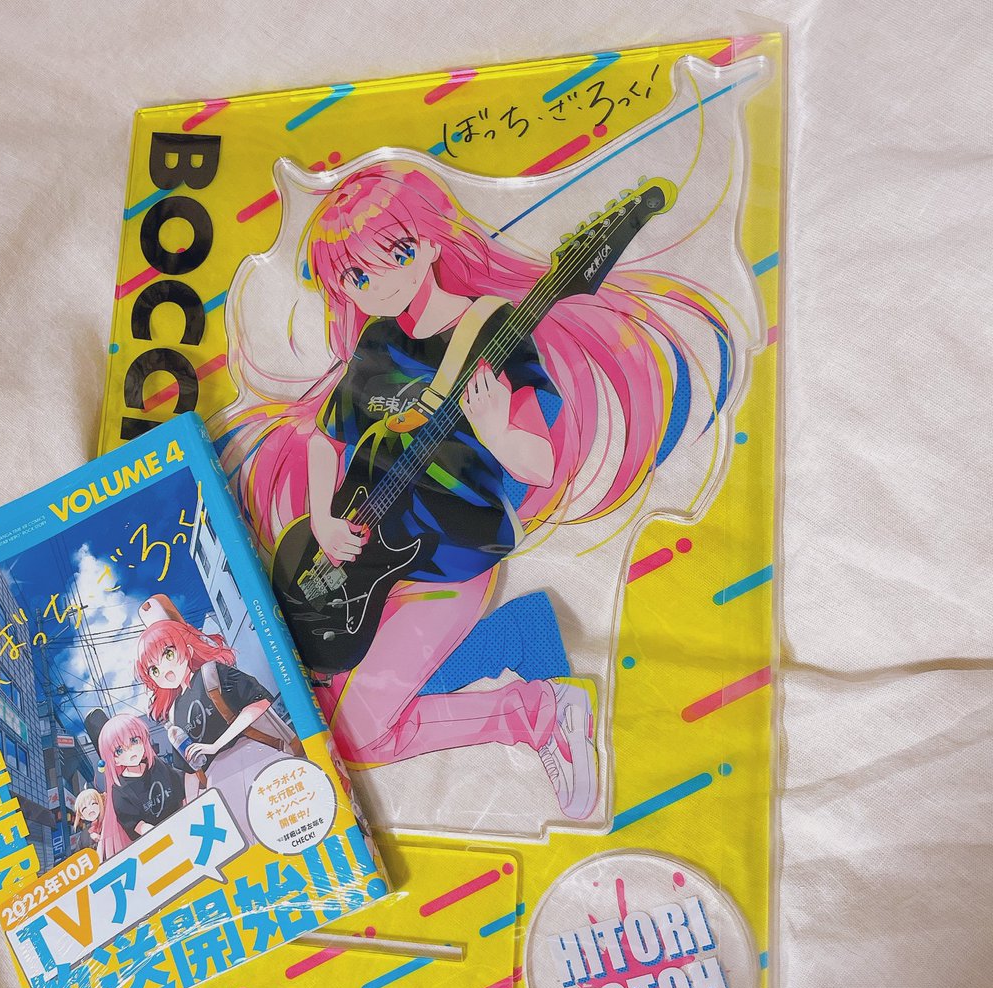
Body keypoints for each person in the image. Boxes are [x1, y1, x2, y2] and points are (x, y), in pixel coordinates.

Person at [213, 161, 737, 820]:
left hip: (447, 562)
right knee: (325, 706)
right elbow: (324, 437)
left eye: (396, 254)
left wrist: (498, 431)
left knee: (358, 732)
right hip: (360, 558)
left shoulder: (493, 330)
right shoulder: (376, 343)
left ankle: (540, 712)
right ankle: (520, 639)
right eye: (356, 277)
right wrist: (321, 518)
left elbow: (541, 465)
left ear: (431, 243)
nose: (379, 283)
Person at [135, 613, 297, 842]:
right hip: (220, 782)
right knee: (250, 840)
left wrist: (216, 745)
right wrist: (194, 810)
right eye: (154, 670)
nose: (165, 671)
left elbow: (258, 702)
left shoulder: (211, 673)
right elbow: (189, 769)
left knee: (284, 822)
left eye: (168, 654)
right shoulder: (174, 712)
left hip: (255, 756)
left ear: (187, 649)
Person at [95, 713, 187, 858]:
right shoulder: (120, 790)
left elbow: (181, 789)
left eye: (134, 741)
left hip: (184, 825)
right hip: (158, 846)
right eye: (119, 750)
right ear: (115, 760)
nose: (130, 750)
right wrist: (153, 832)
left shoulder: (158, 766)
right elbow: (135, 824)